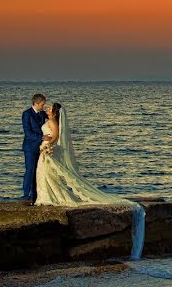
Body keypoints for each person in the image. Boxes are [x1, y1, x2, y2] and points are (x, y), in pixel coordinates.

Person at [33, 101, 145, 260]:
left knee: (46, 175)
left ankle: (47, 197)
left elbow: (56, 136)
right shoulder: (50, 120)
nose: (48, 108)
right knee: (45, 175)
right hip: (46, 149)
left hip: (47, 149)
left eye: (50, 107)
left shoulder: (52, 121)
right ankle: (45, 196)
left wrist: (45, 145)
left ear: (54, 112)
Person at [21, 93, 48, 203]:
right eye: (42, 105)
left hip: (40, 148)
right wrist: (42, 137)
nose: (43, 107)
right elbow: (28, 133)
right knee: (30, 170)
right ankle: (26, 195)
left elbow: (52, 117)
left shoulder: (42, 114)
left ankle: (35, 195)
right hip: (30, 147)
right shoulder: (27, 114)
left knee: (38, 171)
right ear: (36, 103)